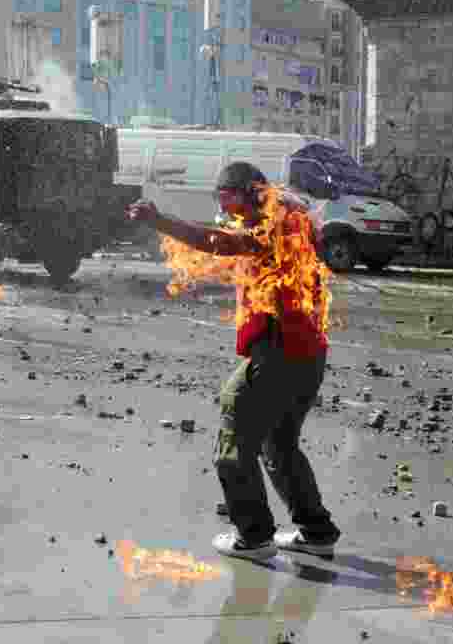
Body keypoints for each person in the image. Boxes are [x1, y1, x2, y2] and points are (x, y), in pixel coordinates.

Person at [126, 162, 341, 562]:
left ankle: (253, 536)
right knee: (278, 443)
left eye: (231, 203)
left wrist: (159, 220)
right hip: (309, 351)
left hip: (280, 351)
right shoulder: (291, 216)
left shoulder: (273, 224)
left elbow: (217, 241)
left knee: (234, 428)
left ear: (250, 192)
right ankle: (316, 531)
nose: (229, 214)